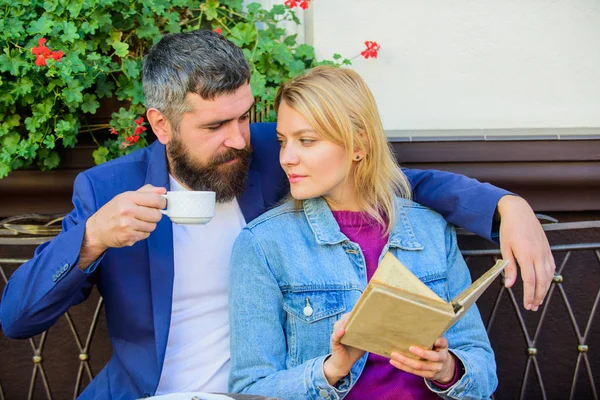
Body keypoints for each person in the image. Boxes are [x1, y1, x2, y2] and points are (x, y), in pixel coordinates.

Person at [0, 30, 550, 399]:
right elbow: (18, 319)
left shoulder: (275, 155)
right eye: (215, 127)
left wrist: (506, 206)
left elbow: (390, 178)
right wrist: (92, 240)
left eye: (245, 116)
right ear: (162, 126)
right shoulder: (108, 190)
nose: (240, 140)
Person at [229, 66, 497, 399]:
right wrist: (331, 370)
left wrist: (447, 369)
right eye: (283, 141)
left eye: (306, 141)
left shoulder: (429, 230)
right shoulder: (264, 244)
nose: (287, 158)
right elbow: (250, 389)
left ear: (359, 144)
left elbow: (483, 368)